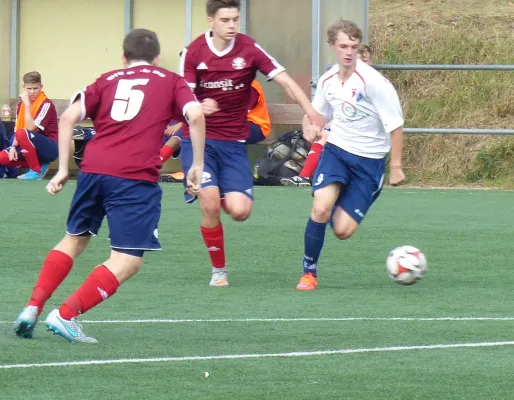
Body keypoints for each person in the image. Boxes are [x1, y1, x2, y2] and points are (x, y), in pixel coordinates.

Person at [13, 28, 205, 343]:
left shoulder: (106, 79)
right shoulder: (170, 80)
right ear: (156, 58)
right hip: (132, 177)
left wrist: (62, 169)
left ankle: (32, 308)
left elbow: (67, 120)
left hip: (92, 170)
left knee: (74, 239)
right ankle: (65, 314)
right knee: (127, 258)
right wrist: (197, 166)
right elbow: (195, 116)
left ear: (123, 57)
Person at [179, 0, 324, 287]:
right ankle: (219, 272)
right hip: (199, 141)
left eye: (235, 19)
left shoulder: (249, 48)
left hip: (233, 143)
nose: (232, 25)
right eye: (225, 20)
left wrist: (311, 111)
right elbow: (181, 99)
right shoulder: (193, 52)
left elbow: (285, 82)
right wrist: (196, 106)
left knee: (240, 211)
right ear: (211, 21)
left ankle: (216, 189)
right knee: (209, 203)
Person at [296, 20, 405, 291]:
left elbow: (396, 125)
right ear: (332, 46)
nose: (349, 52)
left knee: (342, 231)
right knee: (320, 208)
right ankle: (309, 272)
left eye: (354, 46)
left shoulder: (374, 83)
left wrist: (396, 166)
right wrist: (308, 126)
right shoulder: (327, 80)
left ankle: (337, 197)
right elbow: (319, 116)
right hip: (337, 152)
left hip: (369, 162)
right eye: (343, 46)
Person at [281, 43, 374, 187]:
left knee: (327, 135)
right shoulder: (334, 82)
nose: (361, 66)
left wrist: (333, 124)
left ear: (370, 63)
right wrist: (310, 128)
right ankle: (309, 176)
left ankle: (305, 176)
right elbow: (314, 113)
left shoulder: (373, 83)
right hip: (343, 130)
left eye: (365, 62)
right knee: (323, 135)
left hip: (366, 131)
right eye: (358, 61)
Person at [159, 79, 271, 168]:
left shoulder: (251, 86)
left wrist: (182, 124)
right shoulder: (217, 83)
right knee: (165, 130)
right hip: (224, 123)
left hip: (254, 126)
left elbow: (234, 115)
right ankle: (149, 166)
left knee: (193, 129)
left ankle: (157, 165)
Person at [0, 72, 58, 180]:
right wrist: (12, 147)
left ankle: (36, 171)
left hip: (49, 148)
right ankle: (41, 164)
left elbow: (30, 128)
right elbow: (17, 129)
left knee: (23, 133)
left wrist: (27, 104)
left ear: (41, 86)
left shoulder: (46, 104)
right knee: (2, 158)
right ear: (24, 87)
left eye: (35, 88)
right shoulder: (20, 106)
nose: (32, 92)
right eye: (29, 88)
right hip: (27, 145)